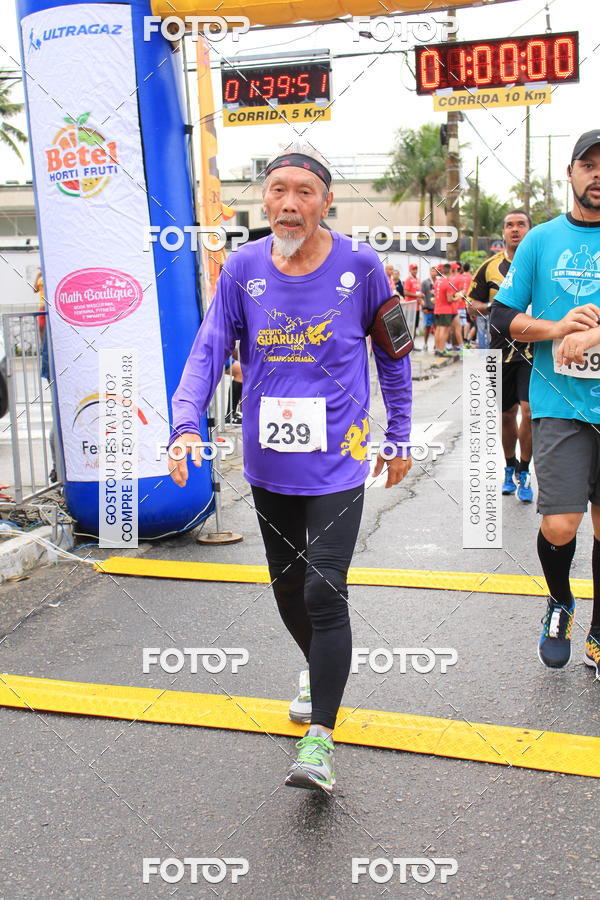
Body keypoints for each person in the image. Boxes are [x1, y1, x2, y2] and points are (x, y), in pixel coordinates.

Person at [168, 142, 413, 792]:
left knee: (322, 589)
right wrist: (185, 422)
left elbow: (394, 355)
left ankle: (321, 740)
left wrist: (401, 435)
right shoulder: (242, 268)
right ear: (266, 198)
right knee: (286, 591)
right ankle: (318, 667)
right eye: (278, 189)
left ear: (326, 201)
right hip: (268, 465)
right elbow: (208, 350)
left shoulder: (362, 267)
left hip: (340, 460)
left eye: (304, 191)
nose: (289, 202)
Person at [491, 130, 600, 676]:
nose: (598, 174)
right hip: (559, 403)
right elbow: (502, 315)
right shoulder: (540, 240)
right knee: (560, 525)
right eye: (589, 164)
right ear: (571, 173)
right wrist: (557, 327)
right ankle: (560, 601)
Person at [469, 211, 534, 502]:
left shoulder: (538, 264)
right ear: (503, 232)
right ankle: (508, 467)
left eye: (521, 225)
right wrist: (494, 307)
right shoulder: (489, 267)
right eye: (510, 225)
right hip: (499, 350)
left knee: (529, 410)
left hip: (534, 350)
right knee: (506, 413)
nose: (515, 230)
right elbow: (472, 304)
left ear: (528, 230)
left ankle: (524, 470)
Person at [433, 262, 459, 356]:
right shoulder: (448, 283)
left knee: (438, 329)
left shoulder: (437, 281)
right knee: (445, 330)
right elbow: (449, 299)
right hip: (445, 309)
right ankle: (441, 350)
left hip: (437, 308)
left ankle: (437, 349)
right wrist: (457, 298)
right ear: (451, 271)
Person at [420, 266, 438, 351]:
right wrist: (423, 307)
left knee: (436, 327)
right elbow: (421, 296)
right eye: (432, 271)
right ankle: (425, 343)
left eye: (435, 271)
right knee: (427, 327)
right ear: (430, 272)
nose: (434, 273)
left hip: (437, 308)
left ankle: (436, 344)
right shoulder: (425, 282)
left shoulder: (438, 282)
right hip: (428, 308)